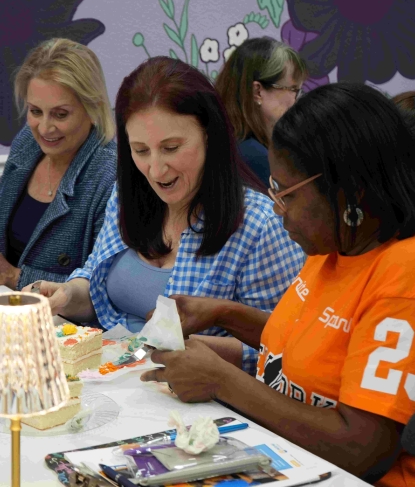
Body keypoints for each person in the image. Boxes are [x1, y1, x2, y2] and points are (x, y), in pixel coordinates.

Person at [141, 82, 415, 487]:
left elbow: (363, 451)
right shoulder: (334, 246)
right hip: (283, 456)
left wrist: (222, 380)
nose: (276, 208)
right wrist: (223, 313)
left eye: (286, 194)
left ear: (350, 192)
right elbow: (313, 344)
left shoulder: (401, 276)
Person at [27, 56, 304, 375]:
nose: (156, 170)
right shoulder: (126, 194)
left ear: (209, 135)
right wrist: (65, 295)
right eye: (141, 151)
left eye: (171, 148)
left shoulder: (259, 226)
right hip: (112, 380)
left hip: (199, 406)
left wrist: (179, 349)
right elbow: (95, 281)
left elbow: (281, 354)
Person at [0, 38, 116, 290]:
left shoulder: (110, 175)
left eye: (60, 114)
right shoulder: (26, 142)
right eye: (35, 111)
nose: (44, 128)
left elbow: (103, 289)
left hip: (68, 326)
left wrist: (14, 277)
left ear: (92, 107)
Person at [215, 37, 307, 187]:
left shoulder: (230, 144)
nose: (296, 100)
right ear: (258, 91)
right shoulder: (253, 156)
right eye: (294, 90)